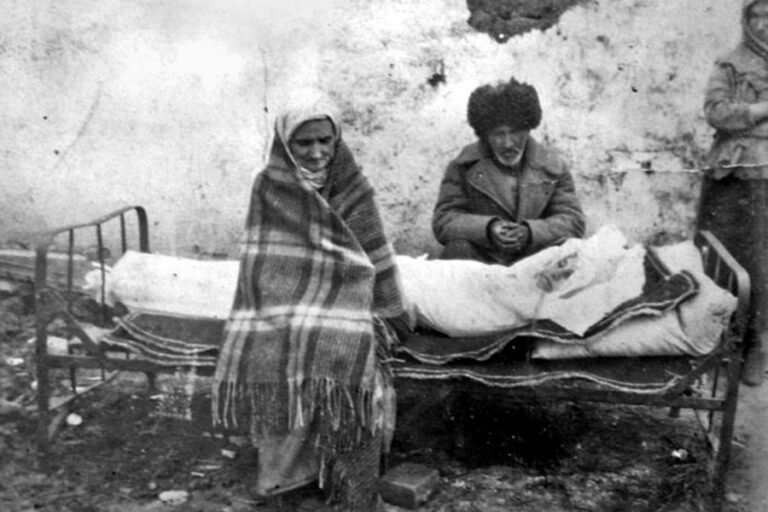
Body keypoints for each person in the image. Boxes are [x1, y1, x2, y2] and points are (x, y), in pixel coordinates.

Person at [211, 90, 408, 510]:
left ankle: (350, 486)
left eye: (326, 141)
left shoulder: (351, 183)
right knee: (287, 344)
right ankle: (288, 480)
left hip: (351, 294)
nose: (318, 152)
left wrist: (383, 306)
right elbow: (266, 263)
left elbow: (371, 251)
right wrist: (296, 306)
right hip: (287, 303)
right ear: (286, 145)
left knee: (352, 352)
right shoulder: (269, 185)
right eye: (304, 143)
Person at [432, 76, 586, 265]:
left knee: (569, 254)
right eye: (498, 134)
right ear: (485, 134)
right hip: (484, 261)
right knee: (457, 250)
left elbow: (572, 220)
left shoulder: (552, 166)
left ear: (528, 129)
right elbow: (444, 220)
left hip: (535, 260)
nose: (507, 143)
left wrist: (530, 233)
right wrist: (488, 229)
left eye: (515, 132)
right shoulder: (463, 166)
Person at [698, 0, 768, 386]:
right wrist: (760, 110)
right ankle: (716, 341)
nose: (764, 24)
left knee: (761, 264)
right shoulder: (730, 63)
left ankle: (754, 347)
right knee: (721, 256)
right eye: (756, 16)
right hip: (732, 176)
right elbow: (715, 110)